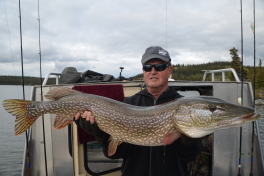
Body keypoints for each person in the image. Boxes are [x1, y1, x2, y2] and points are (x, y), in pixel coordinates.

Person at [75, 46, 202, 176]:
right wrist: (103, 136)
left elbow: (189, 157)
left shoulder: (185, 108)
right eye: (147, 67)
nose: (153, 71)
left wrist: (188, 142)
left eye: (160, 67)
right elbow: (117, 154)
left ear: (169, 70)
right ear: (143, 71)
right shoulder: (128, 104)